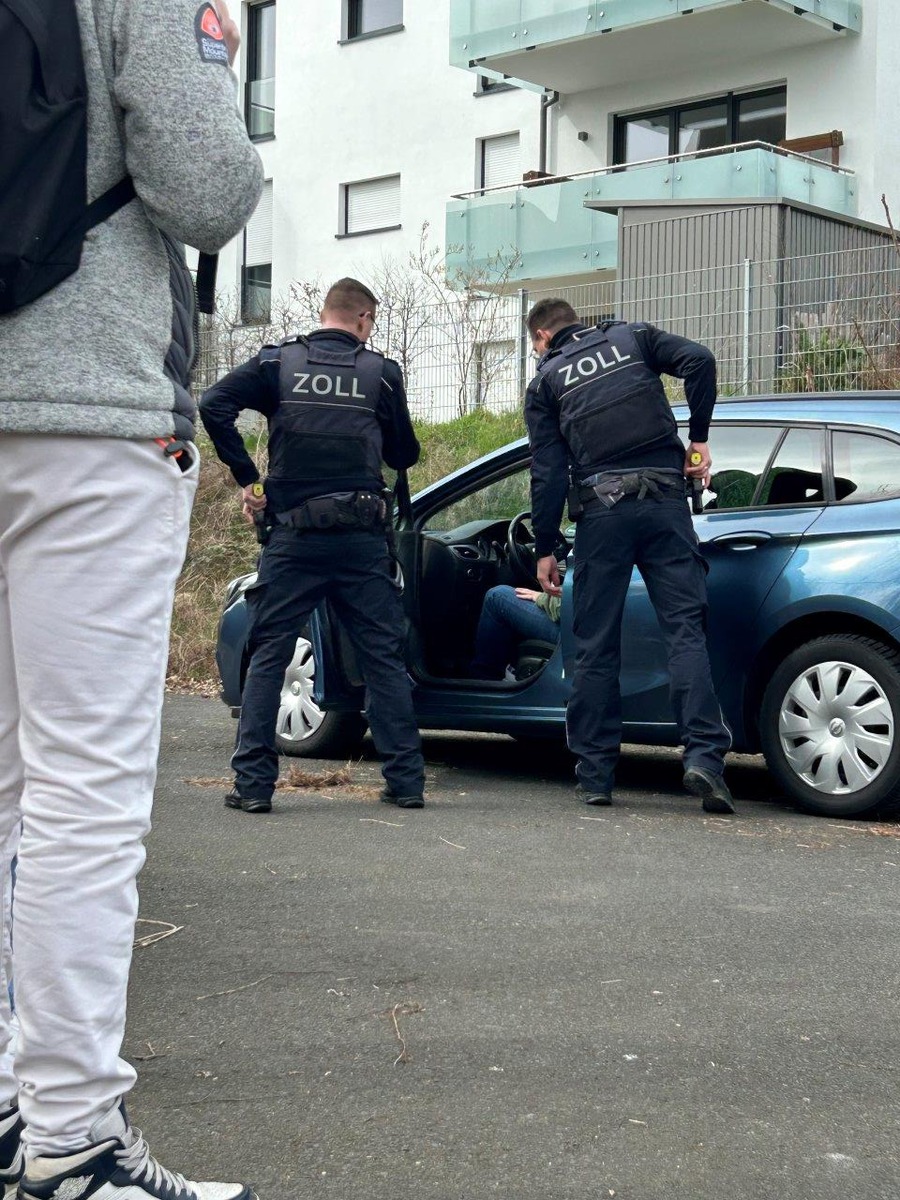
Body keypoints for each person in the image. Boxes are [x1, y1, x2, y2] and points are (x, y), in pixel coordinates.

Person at [0, 2, 264, 1197]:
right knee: (84, 794)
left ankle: (14, 1112)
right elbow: (206, 188)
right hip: (89, 422)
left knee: (8, 792)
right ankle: (71, 1140)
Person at [200, 278, 427, 813]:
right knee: (382, 658)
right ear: (364, 320)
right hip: (360, 539)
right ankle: (406, 782)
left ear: (323, 314)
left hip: (293, 537)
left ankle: (254, 788)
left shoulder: (277, 364)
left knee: (269, 654)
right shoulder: (381, 374)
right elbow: (406, 454)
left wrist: (248, 478)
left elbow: (213, 406)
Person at [524, 299, 736, 815]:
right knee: (684, 631)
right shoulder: (633, 338)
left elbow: (548, 474)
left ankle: (596, 774)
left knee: (595, 645)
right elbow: (700, 360)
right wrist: (699, 441)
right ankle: (705, 759)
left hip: (603, 515)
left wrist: (546, 547)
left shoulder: (546, 382)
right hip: (665, 503)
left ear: (541, 338)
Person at [470, 585, 561, 680]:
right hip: (573, 624)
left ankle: (483, 681)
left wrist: (542, 598)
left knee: (496, 597)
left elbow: (565, 605)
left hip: (570, 629)